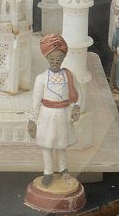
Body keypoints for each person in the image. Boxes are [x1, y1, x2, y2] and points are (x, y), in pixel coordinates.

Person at [28, 34, 82, 188]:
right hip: (47, 116)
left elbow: (78, 93)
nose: (55, 61)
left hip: (64, 114)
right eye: (51, 58)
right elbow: (35, 102)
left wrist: (77, 106)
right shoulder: (41, 78)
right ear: (46, 57)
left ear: (63, 58)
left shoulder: (69, 76)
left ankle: (63, 168)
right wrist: (32, 121)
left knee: (61, 144)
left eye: (58, 58)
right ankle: (48, 172)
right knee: (47, 145)